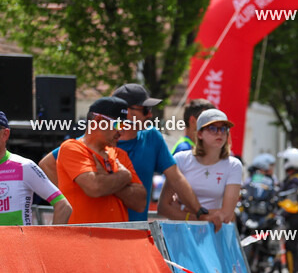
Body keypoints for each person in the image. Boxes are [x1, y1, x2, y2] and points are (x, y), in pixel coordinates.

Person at [40, 83, 203, 221]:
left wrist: (199, 212)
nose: (150, 114)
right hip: (93, 235)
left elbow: (171, 182)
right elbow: (47, 165)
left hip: (131, 235)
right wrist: (74, 192)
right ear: (126, 110)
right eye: (145, 109)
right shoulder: (83, 145)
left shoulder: (150, 138)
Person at [57, 97, 146, 224]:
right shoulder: (72, 148)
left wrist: (106, 178)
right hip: (82, 240)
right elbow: (95, 188)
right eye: (118, 124)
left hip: (116, 241)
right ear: (98, 120)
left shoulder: (119, 154)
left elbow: (140, 203)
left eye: (124, 125)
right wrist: (123, 176)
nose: (122, 131)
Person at [160, 109, 243, 233]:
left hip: (214, 234)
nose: (219, 133)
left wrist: (183, 210)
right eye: (213, 128)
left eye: (224, 129)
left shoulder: (234, 165)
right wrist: (203, 217)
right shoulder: (181, 159)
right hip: (181, 234)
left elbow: (226, 215)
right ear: (199, 134)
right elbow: (163, 208)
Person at [0, 111, 73, 225]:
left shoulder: (23, 166)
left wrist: (54, 241)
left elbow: (63, 206)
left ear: (5, 134)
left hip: (18, 243)